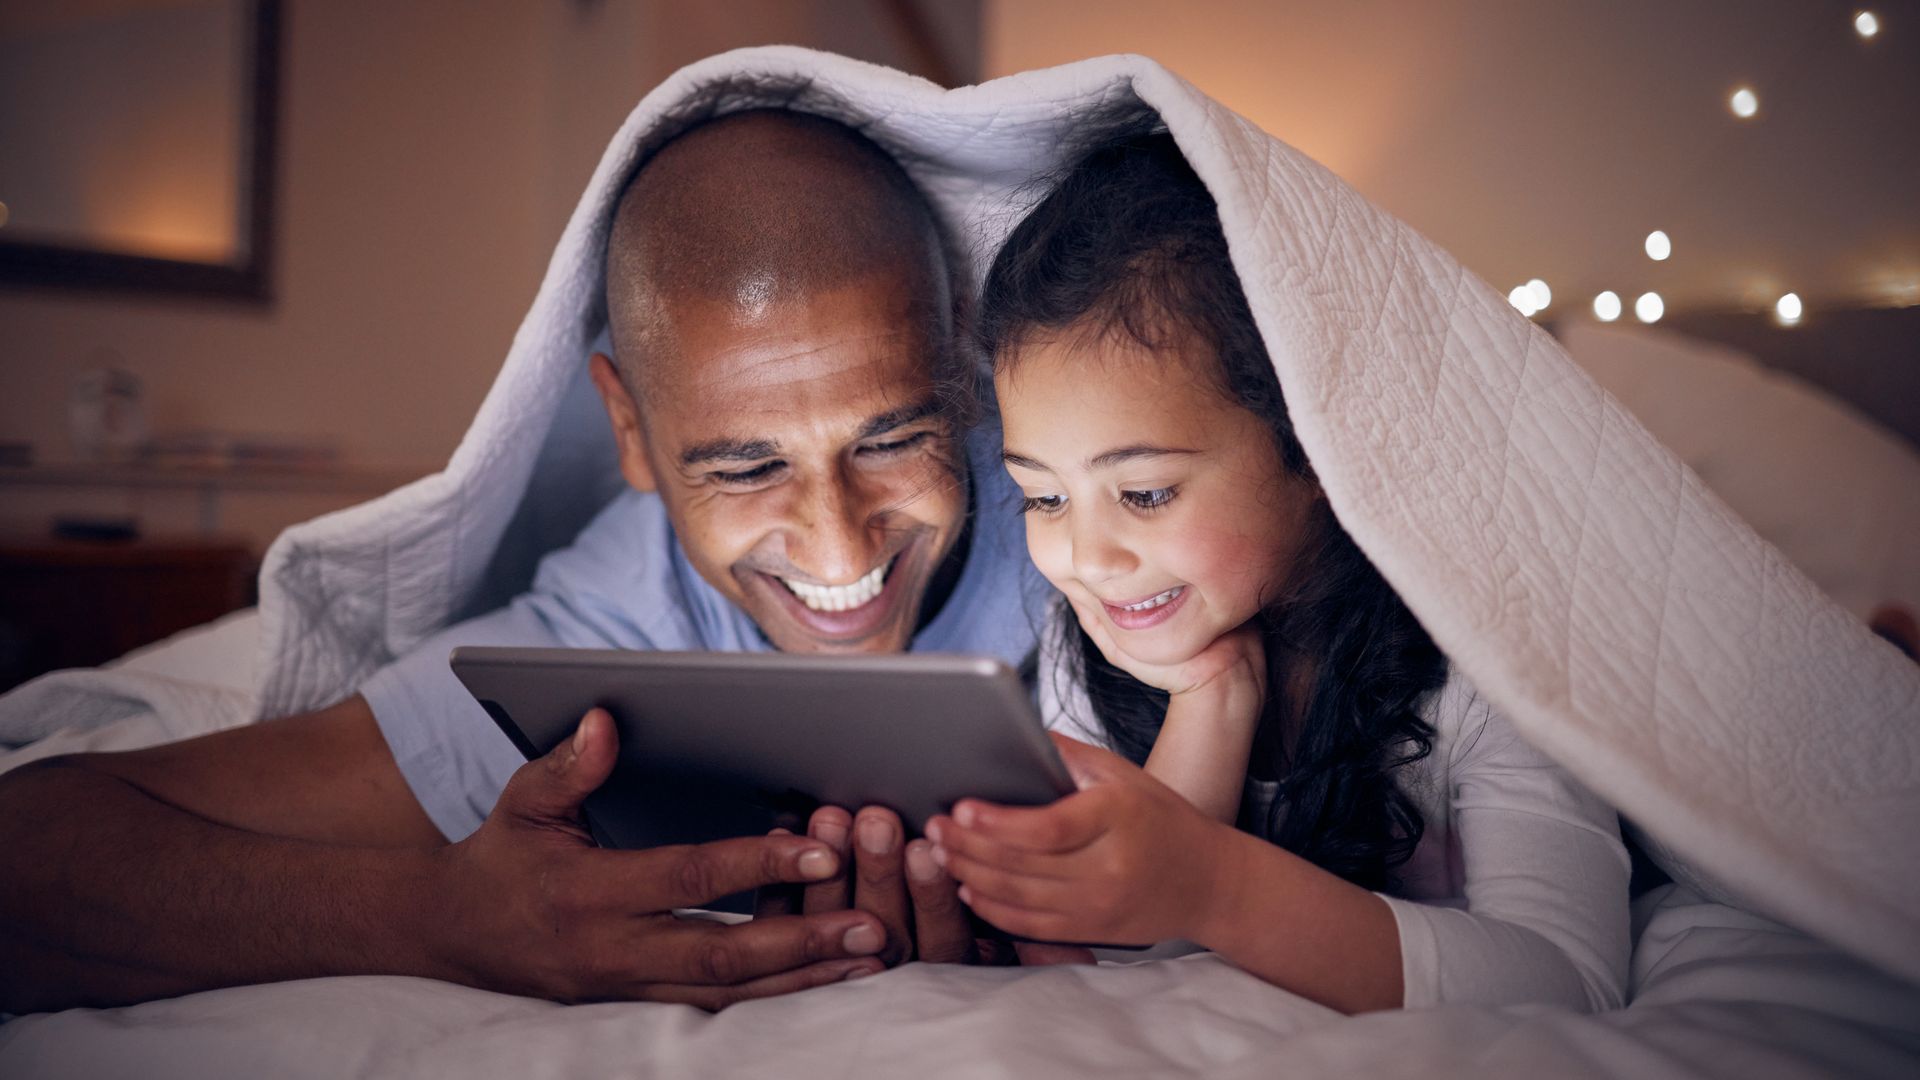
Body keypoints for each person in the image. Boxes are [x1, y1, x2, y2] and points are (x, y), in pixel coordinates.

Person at [0, 110, 1056, 1015]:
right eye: (744, 469)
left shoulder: (1095, 515)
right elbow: (29, 851)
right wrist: (442, 919)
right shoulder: (597, 645)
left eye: (890, 440)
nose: (838, 544)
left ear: (959, 355)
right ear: (629, 432)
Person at [926, 131, 1632, 1014]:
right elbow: (1116, 962)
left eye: (1143, 494)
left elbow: (1571, 983)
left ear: (1318, 452)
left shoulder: (1489, 653)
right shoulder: (1093, 639)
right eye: (1044, 498)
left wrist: (1215, 885)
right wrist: (1213, 703)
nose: (1088, 558)